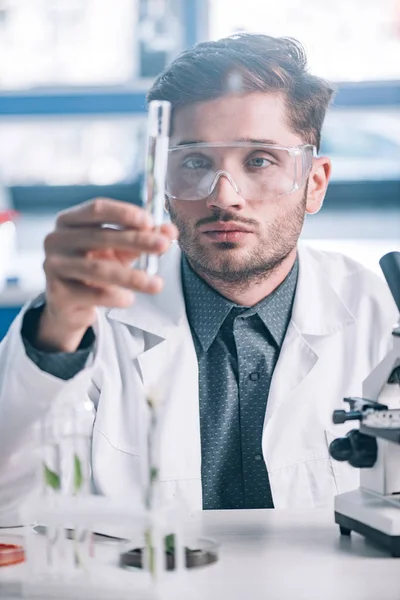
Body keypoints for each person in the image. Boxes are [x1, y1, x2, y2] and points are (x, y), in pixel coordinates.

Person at [0, 34, 397, 523]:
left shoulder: (384, 315)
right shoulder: (92, 317)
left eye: (259, 161)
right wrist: (56, 336)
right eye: (194, 163)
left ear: (314, 182)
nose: (223, 197)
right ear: (161, 183)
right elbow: (10, 505)